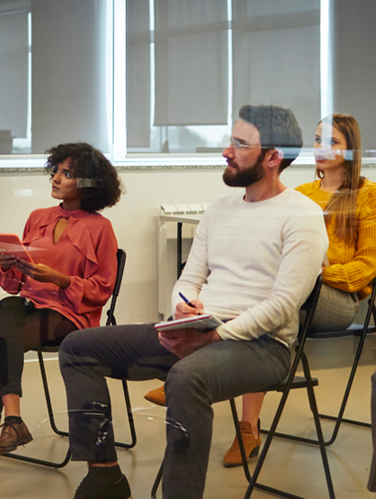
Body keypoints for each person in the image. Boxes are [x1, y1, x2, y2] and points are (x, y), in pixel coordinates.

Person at [57, 105, 328, 499]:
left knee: (186, 378)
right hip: (197, 334)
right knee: (78, 348)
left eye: (239, 143)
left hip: (263, 347)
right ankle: (104, 476)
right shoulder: (219, 210)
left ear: (272, 157)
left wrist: (215, 337)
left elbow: (284, 304)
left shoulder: (303, 215)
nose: (226, 151)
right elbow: (188, 279)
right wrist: (184, 308)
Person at [0, 142, 122, 474]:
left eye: (68, 173)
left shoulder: (99, 228)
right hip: (31, 307)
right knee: (5, 309)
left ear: (89, 183)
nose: (56, 178)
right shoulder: (38, 217)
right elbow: (12, 286)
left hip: (71, 316)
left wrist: (62, 280)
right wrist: (10, 264)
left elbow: (102, 290)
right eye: (56, 171)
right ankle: (12, 421)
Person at [220, 113, 376, 465]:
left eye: (332, 142)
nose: (321, 148)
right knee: (262, 301)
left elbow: (366, 268)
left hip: (338, 300)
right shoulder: (300, 194)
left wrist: (318, 272)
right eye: (318, 139)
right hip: (289, 296)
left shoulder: (369, 196)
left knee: (270, 298)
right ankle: (247, 426)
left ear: (352, 150)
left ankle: (191, 369)